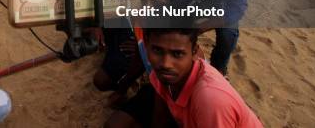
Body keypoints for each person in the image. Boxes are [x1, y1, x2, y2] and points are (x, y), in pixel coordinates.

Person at [105, 28, 262, 128]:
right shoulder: (163, 74)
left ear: (194, 52)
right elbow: (159, 118)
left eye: (177, 54)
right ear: (146, 45)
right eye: (157, 50)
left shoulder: (210, 99)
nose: (166, 63)